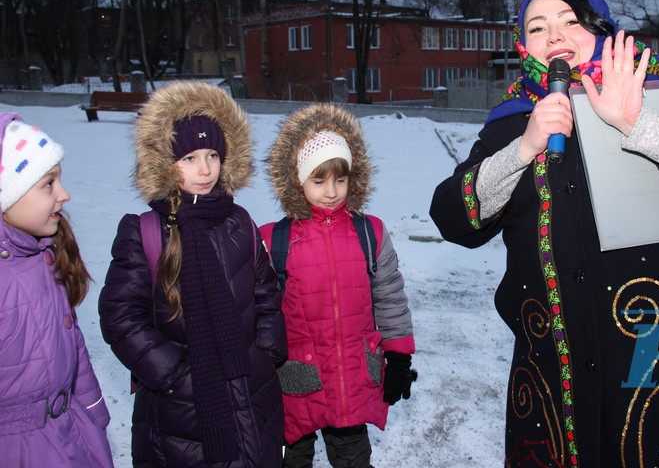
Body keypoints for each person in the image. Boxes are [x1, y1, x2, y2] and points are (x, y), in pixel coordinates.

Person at [430, 0, 659, 468]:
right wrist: (521, 150)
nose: (554, 36)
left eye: (570, 20)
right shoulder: (512, 118)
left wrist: (637, 123)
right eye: (537, 27)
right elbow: (450, 217)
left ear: (601, 28)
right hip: (556, 379)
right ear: (523, 46)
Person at [98, 82, 288, 467]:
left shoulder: (239, 222)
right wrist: (172, 375)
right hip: (181, 411)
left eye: (213, 154)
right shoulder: (145, 231)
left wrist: (265, 352)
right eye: (189, 158)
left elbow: (267, 292)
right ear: (164, 162)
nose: (205, 169)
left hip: (251, 392)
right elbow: (120, 317)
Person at [259, 103, 416, 468]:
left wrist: (398, 357)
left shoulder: (369, 232)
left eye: (340, 179)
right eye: (318, 180)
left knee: (353, 458)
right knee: (291, 459)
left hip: (351, 378)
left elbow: (389, 296)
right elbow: (259, 311)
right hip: (295, 379)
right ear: (296, 179)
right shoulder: (274, 239)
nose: (331, 191)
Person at [0, 112, 115, 467]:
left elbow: (72, 343)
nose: (64, 194)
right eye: (48, 184)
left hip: (71, 432)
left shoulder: (46, 256)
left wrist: (93, 411)